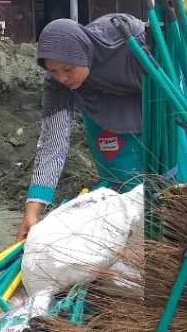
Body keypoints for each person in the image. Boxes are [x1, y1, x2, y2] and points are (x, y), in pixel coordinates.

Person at [16, 14, 153, 241]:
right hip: (103, 114)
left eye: (68, 69)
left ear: (82, 54)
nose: (62, 78)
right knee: (120, 186)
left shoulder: (129, 46)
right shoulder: (60, 85)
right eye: (54, 71)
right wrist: (32, 210)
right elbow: (54, 142)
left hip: (157, 103)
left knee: (169, 181)